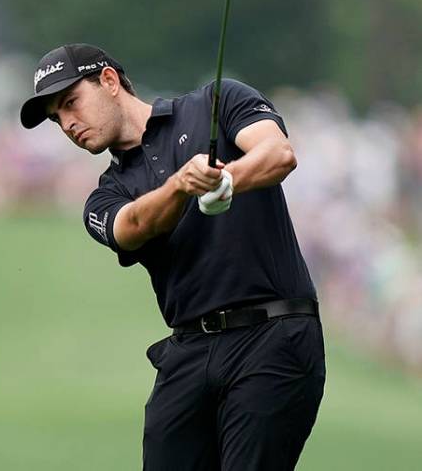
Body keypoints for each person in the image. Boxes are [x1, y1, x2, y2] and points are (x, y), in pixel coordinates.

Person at [20, 43, 325, 471]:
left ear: (109, 81)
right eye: (57, 118)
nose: (68, 124)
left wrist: (226, 179)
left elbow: (278, 154)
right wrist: (182, 186)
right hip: (190, 352)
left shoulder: (217, 102)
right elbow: (133, 227)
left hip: (273, 336)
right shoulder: (105, 195)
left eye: (71, 103)